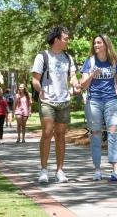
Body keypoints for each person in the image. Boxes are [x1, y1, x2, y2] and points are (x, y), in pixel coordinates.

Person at [31, 26, 81, 183]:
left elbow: (72, 77)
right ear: (57, 39)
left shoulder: (68, 57)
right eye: (65, 38)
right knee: (47, 133)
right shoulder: (42, 56)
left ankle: (60, 170)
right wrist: (40, 90)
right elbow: (35, 80)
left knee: (60, 135)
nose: (68, 41)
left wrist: (76, 84)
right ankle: (44, 170)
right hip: (47, 100)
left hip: (64, 100)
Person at [80, 34, 117, 181]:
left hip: (111, 100)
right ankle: (97, 169)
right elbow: (83, 85)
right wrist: (92, 74)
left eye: (99, 43)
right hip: (93, 101)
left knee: (113, 132)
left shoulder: (115, 62)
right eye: (94, 43)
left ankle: (115, 169)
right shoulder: (90, 61)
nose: (96, 45)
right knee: (96, 135)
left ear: (106, 44)